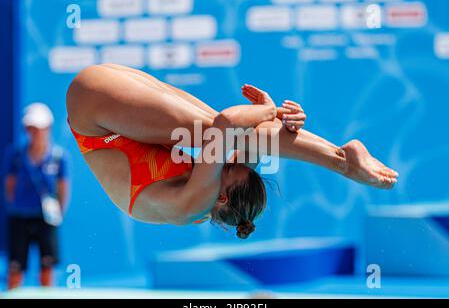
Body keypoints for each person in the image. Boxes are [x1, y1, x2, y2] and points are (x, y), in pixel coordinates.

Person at [66, 64, 398, 239]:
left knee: (217, 130)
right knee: (241, 136)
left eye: (228, 168)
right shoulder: (216, 193)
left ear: (222, 197)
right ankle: (342, 158)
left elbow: (227, 124)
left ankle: (342, 163)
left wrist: (272, 113)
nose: (226, 161)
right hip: (113, 101)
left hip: (96, 115)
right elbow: (247, 140)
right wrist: (273, 117)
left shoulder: (192, 203)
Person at [2, 103, 70, 289]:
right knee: (15, 269)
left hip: (46, 220)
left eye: (39, 128)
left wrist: (57, 213)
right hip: (20, 217)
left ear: (48, 128)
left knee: (47, 270)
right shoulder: (14, 154)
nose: (35, 132)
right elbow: (9, 185)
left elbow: (63, 188)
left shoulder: (59, 156)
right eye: (31, 128)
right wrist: (17, 205)